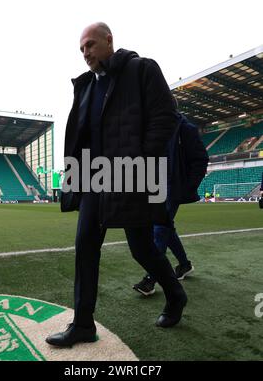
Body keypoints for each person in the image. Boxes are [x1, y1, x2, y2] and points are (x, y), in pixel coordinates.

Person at [46, 22, 187, 348]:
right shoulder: (87, 86)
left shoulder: (141, 70)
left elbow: (166, 116)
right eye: (81, 49)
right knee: (85, 246)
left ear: (109, 41)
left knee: (141, 249)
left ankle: (175, 294)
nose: (86, 53)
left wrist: (142, 159)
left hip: (130, 176)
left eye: (91, 45)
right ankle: (83, 324)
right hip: (95, 179)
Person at [133, 110, 209, 296]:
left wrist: (187, 188)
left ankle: (151, 279)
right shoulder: (154, 129)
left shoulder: (186, 129)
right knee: (166, 228)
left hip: (173, 187)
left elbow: (201, 160)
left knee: (159, 229)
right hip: (155, 186)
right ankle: (184, 265)